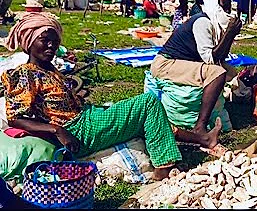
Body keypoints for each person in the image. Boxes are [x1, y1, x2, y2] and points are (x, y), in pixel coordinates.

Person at [2, 13, 190, 180]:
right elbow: (15, 119)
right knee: (147, 103)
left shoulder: (48, 68)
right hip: (78, 132)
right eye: (44, 40)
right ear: (29, 42)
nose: (51, 46)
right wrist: (57, 130)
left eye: (55, 41)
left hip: (85, 117)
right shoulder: (26, 74)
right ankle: (163, 169)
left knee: (137, 110)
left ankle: (194, 140)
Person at [150, 0, 241, 148]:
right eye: (223, 7)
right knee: (218, 73)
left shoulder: (212, 23)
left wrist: (230, 34)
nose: (226, 12)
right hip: (166, 64)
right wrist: (230, 33)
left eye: (228, 8)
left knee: (231, 71)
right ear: (214, 5)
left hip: (183, 62)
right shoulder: (202, 22)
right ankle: (200, 127)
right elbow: (211, 59)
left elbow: (220, 57)